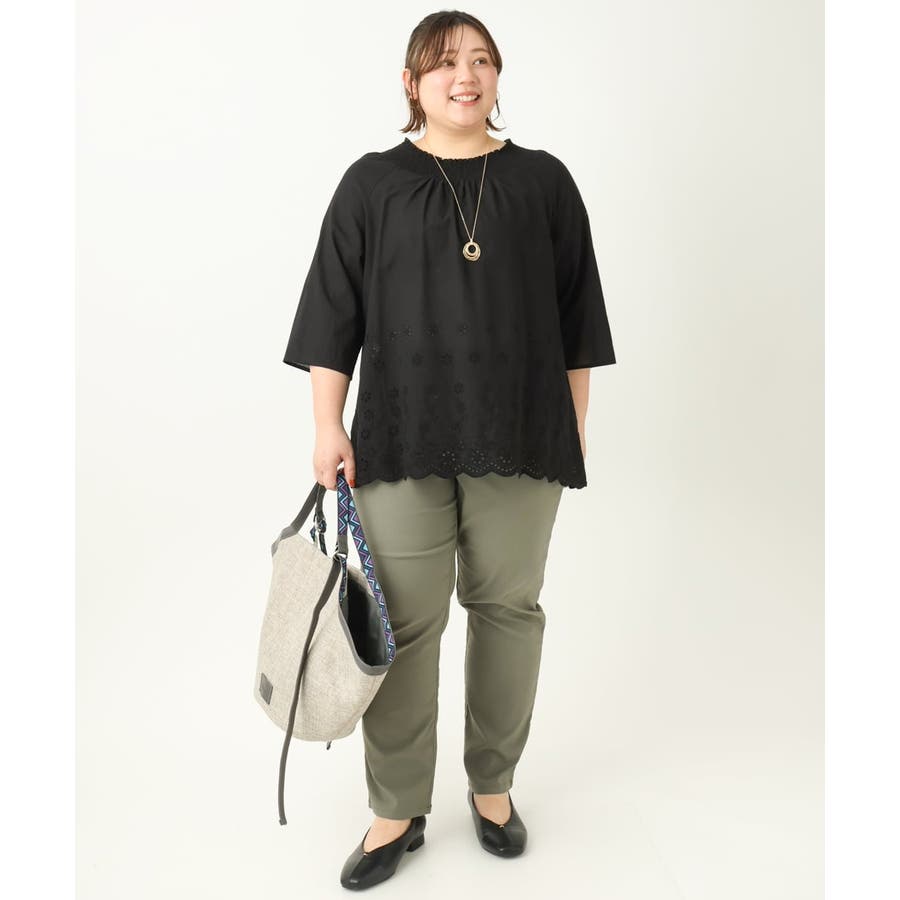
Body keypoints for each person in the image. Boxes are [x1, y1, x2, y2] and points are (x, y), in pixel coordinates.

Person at [283, 10, 616, 891]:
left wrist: (574, 423)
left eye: (480, 60)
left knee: (509, 610)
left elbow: (579, 318)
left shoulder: (544, 182)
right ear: (411, 83)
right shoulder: (372, 184)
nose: (464, 77)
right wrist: (327, 425)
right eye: (443, 63)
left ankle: (493, 786)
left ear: (498, 76)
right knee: (403, 623)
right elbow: (333, 315)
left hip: (524, 434)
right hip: (399, 438)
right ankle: (397, 808)